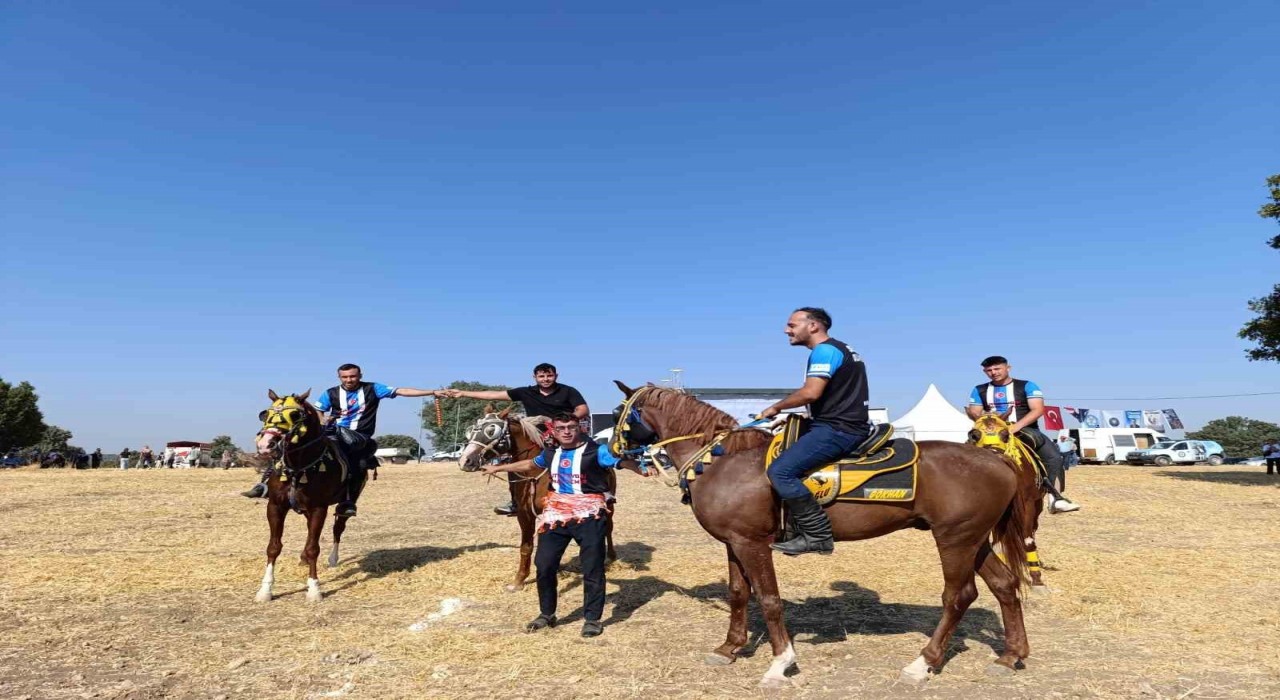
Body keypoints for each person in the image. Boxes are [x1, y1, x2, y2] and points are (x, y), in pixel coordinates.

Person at [480, 413, 646, 637]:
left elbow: (619, 461)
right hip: (556, 515)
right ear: (554, 432)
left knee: (593, 567)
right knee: (544, 564)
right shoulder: (550, 453)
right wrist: (498, 469)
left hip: (589, 515)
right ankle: (547, 614)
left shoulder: (596, 450)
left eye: (571, 427)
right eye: (561, 428)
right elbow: (530, 463)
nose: (566, 431)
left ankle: (592, 619)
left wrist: (639, 467)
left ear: (579, 428)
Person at [242, 363, 441, 517]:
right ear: (339, 377)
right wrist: (322, 422)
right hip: (332, 431)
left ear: (360, 376)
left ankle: (348, 501)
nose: (349, 380)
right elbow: (319, 410)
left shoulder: (373, 389)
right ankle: (265, 484)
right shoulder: (331, 393)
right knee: (291, 445)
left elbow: (401, 391)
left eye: (353, 376)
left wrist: (431, 392)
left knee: (358, 463)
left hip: (357, 435)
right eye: (345, 377)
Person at [757, 307, 871, 557]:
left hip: (839, 429)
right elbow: (835, 396)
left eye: (792, 324)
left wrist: (776, 407)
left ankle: (816, 535)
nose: (787, 330)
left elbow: (811, 392)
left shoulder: (825, 350)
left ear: (813, 326)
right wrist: (794, 416)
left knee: (781, 471)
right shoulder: (840, 349)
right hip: (838, 422)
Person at [445, 363, 590, 516]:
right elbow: (493, 395)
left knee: (584, 454)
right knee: (516, 458)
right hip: (534, 431)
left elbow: (582, 409)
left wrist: (561, 424)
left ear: (556, 376)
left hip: (562, 430)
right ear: (534, 377)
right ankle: (516, 500)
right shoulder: (526, 392)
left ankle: (590, 492)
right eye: (541, 376)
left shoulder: (568, 391)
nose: (546, 379)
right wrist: (462, 393)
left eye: (549, 376)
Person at [966, 356, 1081, 514]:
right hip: (992, 432)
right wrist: (981, 417)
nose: (993, 373)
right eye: (989, 370)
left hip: (1025, 429)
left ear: (1008, 368)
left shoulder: (1027, 385)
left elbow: (1038, 409)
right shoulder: (979, 390)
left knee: (1053, 455)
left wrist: (1016, 427)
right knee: (962, 453)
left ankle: (1055, 498)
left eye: (997, 368)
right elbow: (976, 412)